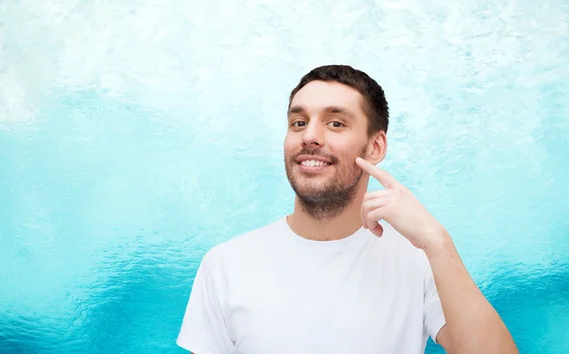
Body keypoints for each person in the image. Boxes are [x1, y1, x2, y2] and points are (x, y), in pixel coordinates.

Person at [176, 65, 518, 353]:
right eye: (298, 122)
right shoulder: (225, 265)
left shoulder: (420, 262)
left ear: (375, 146)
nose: (310, 136)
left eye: (335, 123)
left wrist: (437, 242)